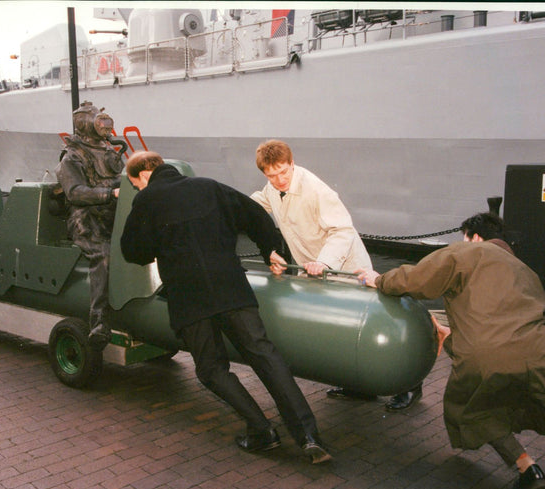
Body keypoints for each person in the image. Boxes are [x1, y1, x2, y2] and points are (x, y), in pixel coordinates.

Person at [357, 212, 545, 489]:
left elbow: (418, 279)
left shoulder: (469, 252)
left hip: (487, 359)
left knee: (473, 410)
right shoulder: (525, 270)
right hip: (543, 356)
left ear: (475, 236)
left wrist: (380, 279)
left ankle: (526, 466)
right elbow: (507, 323)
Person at [120, 151, 332, 464]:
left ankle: (262, 430)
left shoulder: (146, 201)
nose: (138, 190)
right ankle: (309, 436)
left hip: (190, 299)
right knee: (265, 357)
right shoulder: (210, 187)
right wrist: (270, 249)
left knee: (211, 370)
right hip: (231, 289)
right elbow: (256, 216)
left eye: (136, 186)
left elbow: (134, 252)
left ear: (140, 177)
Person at [250, 139, 422, 410]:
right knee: (341, 328)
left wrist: (324, 262)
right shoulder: (272, 188)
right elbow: (258, 204)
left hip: (343, 265)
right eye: (271, 176)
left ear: (292, 163)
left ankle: (410, 384)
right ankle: (359, 386)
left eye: (283, 172)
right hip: (314, 267)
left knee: (369, 318)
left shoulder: (317, 190)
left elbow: (342, 231)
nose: (279, 180)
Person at [55, 101, 124, 354]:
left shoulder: (107, 152)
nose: (104, 126)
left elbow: (120, 179)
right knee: (102, 253)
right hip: (85, 219)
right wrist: (110, 193)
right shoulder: (72, 157)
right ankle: (99, 322)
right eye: (99, 122)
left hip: (111, 213)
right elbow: (74, 193)